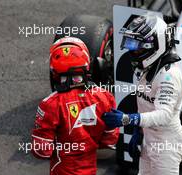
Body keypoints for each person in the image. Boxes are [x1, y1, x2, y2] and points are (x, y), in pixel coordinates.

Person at [103, 14, 182, 175]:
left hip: (167, 146)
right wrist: (138, 131)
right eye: (131, 46)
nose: (133, 51)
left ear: (155, 45)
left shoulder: (168, 76)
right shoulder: (147, 68)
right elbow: (146, 104)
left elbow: (164, 115)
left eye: (138, 47)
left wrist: (128, 119)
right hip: (149, 139)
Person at [31, 37, 119, 175]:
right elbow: (110, 139)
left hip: (62, 169)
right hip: (90, 168)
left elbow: (41, 151)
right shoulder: (105, 97)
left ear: (54, 71)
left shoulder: (50, 104)